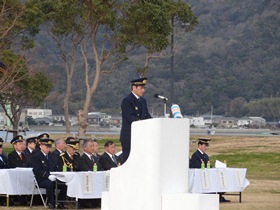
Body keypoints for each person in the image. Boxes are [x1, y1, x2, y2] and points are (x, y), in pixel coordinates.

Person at [120, 77, 152, 163]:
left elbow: (147, 115)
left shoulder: (143, 101)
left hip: (140, 136)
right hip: (129, 136)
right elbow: (131, 117)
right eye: (141, 88)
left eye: (143, 88)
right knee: (129, 160)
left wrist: (153, 123)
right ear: (134, 88)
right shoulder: (127, 101)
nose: (143, 90)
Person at [189, 138, 230, 203]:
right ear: (199, 145)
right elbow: (196, 167)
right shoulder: (195, 155)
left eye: (206, 146)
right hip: (200, 177)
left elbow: (209, 165)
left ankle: (220, 194)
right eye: (204, 146)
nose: (206, 148)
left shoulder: (205, 156)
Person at [32, 135, 66, 209]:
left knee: (63, 183)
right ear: (41, 146)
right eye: (46, 147)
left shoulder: (51, 156)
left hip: (52, 177)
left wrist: (57, 174)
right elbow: (37, 170)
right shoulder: (37, 156)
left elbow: (55, 167)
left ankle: (59, 201)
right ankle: (51, 202)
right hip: (41, 179)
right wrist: (47, 176)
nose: (48, 149)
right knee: (49, 184)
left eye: (49, 147)